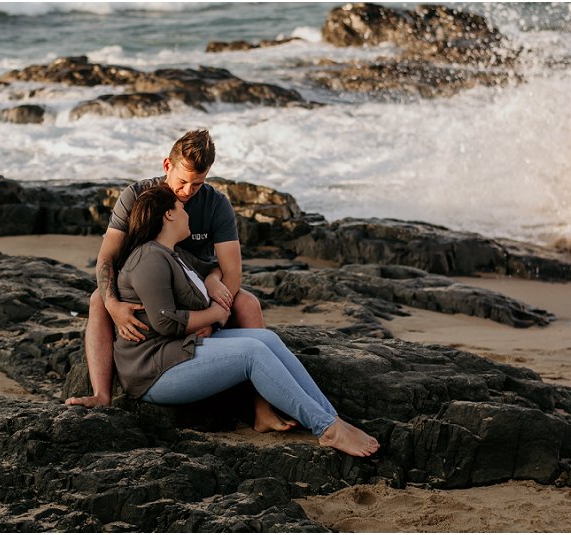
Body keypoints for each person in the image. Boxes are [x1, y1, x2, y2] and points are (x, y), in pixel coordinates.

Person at [111, 184, 381, 457]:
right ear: (168, 215)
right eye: (181, 208)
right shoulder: (149, 258)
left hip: (178, 351)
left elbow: (216, 269)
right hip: (153, 371)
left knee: (266, 338)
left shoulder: (174, 253)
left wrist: (213, 281)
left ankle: (331, 417)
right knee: (252, 352)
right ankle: (326, 429)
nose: (187, 212)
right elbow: (164, 322)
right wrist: (215, 315)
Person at [66, 129, 292, 433]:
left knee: (249, 303)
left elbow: (232, 271)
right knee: (96, 299)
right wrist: (113, 304)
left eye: (197, 184)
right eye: (182, 182)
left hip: (196, 289)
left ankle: (261, 409)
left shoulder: (215, 204)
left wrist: (212, 316)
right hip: (145, 287)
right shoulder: (137, 196)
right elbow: (106, 260)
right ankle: (101, 394)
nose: (187, 191)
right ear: (166, 166)